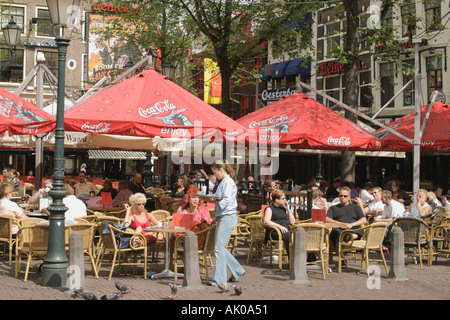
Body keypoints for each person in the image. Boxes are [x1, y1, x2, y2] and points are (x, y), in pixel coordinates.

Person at [206, 160, 245, 286]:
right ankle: (237, 270)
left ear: (220, 170)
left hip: (227, 217)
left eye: (215, 172)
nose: (215, 175)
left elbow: (226, 201)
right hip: (225, 216)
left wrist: (214, 202)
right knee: (220, 248)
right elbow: (221, 199)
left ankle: (220, 279)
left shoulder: (227, 182)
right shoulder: (225, 182)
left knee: (218, 248)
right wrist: (216, 215)